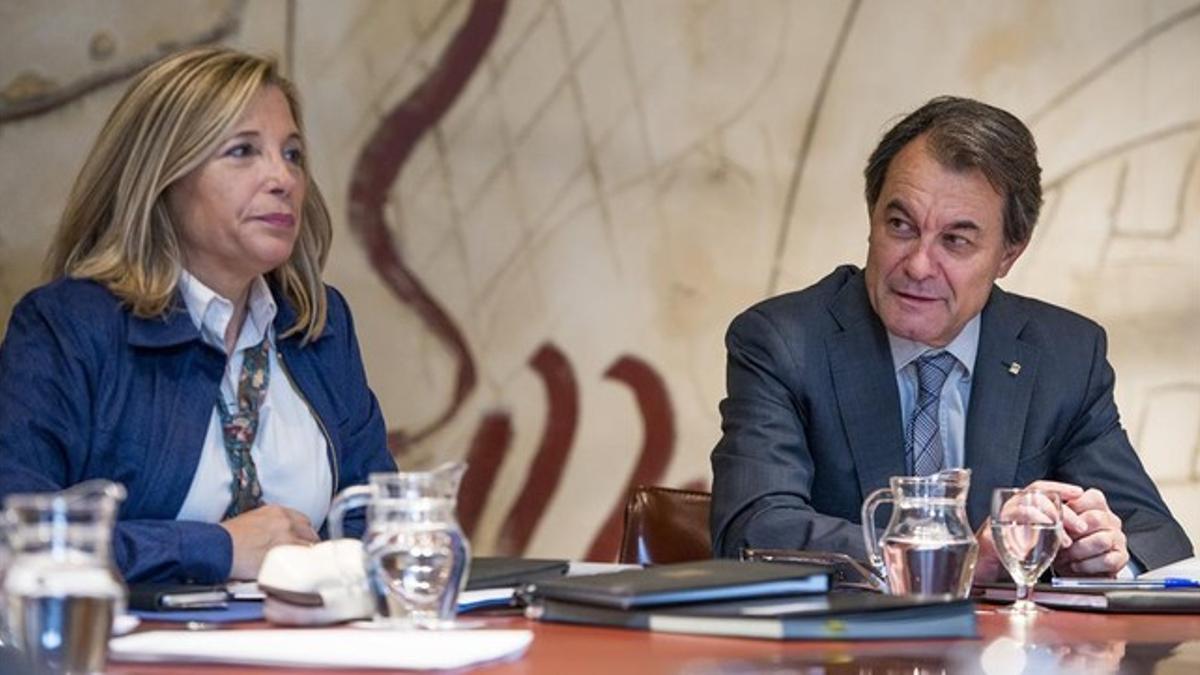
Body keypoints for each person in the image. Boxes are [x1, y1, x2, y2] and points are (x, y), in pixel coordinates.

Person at [710, 96, 1193, 579]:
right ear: (871, 216)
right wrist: (955, 558)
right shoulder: (785, 342)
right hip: (837, 648)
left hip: (1008, 653)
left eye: (955, 240)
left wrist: (1101, 554)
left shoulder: (1064, 356)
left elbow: (1156, 535)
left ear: (1009, 254)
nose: (918, 265)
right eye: (900, 226)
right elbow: (754, 531)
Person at [0, 47, 397, 583]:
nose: (282, 177)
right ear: (163, 179)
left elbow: (377, 525)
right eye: (242, 151)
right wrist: (218, 548)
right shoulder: (67, 328)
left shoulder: (318, 325)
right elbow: (17, 538)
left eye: (293, 154)